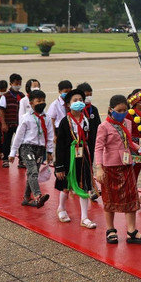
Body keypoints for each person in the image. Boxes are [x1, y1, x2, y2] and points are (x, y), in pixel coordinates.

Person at [95, 94, 141, 244]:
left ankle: (132, 231)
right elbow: (98, 148)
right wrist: (99, 168)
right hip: (110, 167)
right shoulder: (103, 127)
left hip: (126, 165)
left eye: (125, 110)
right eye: (119, 110)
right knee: (109, 199)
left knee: (131, 197)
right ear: (111, 110)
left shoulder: (127, 123)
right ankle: (111, 229)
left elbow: (128, 143)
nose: (122, 112)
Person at [54, 89, 96, 227]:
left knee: (84, 185)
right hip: (68, 157)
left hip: (82, 156)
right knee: (66, 185)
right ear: (68, 104)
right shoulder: (64, 122)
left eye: (80, 100)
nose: (79, 102)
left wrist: (91, 160)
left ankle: (84, 217)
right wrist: (59, 166)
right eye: (75, 100)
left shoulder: (86, 120)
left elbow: (91, 140)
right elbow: (59, 145)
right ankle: (61, 207)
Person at [9, 89, 52, 208]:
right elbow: (18, 136)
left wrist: (50, 151)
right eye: (38, 101)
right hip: (27, 148)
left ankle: (26, 198)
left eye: (43, 100)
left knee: (33, 174)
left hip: (40, 149)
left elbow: (49, 135)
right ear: (31, 103)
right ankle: (38, 196)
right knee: (32, 171)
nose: (42, 103)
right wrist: (13, 152)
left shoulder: (46, 118)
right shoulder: (26, 118)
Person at [0, 74, 24, 169]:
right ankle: (5, 159)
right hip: (8, 123)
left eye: (19, 83)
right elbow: (1, 110)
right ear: (11, 83)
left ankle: (22, 160)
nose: (18, 85)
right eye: (16, 83)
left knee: (21, 142)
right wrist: (3, 123)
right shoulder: (5, 96)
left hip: (19, 124)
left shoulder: (22, 96)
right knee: (7, 142)